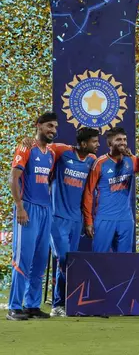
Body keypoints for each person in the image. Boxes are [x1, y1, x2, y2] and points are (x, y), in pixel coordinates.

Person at [7, 112, 58, 321]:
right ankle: (14, 306)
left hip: (46, 210)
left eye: (55, 127)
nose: (52, 130)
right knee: (22, 258)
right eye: (49, 126)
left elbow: (45, 181)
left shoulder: (51, 154)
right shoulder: (26, 147)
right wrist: (19, 206)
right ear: (38, 126)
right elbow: (14, 178)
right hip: (27, 208)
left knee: (39, 261)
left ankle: (32, 305)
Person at [48, 127, 99, 317]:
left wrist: (87, 221)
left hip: (76, 220)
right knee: (63, 259)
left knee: (71, 262)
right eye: (94, 142)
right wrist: (30, 142)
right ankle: (57, 304)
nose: (97, 145)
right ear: (83, 143)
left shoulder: (93, 161)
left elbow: (88, 194)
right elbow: (41, 147)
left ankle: (67, 303)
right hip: (57, 217)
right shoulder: (62, 151)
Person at [82, 127, 139, 253]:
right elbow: (89, 193)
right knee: (99, 260)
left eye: (124, 139)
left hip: (126, 219)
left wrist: (133, 156)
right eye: (119, 140)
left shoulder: (131, 160)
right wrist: (88, 221)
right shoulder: (100, 163)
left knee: (124, 262)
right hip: (104, 218)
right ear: (109, 143)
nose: (123, 142)